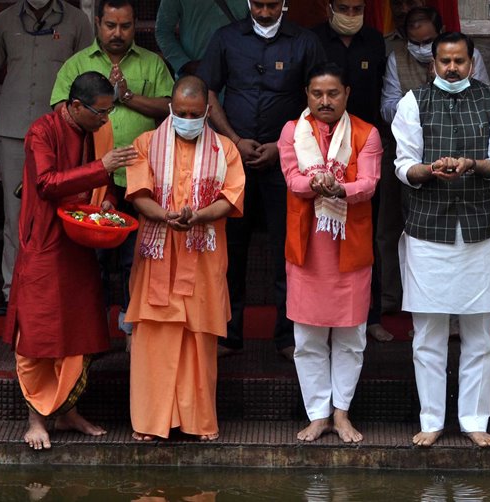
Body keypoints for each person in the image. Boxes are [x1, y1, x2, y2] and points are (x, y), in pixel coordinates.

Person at [392, 32, 490, 448]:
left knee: (479, 334)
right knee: (428, 333)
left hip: (480, 229)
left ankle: (473, 420)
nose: (451, 68)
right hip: (428, 230)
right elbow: (403, 164)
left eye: (459, 61)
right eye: (444, 61)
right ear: (433, 63)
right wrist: (428, 171)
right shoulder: (413, 102)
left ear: (471, 62)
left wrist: (473, 165)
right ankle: (431, 419)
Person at [3, 71, 138, 450]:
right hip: (45, 241)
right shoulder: (41, 132)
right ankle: (36, 420)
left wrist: (108, 199)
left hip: (79, 239)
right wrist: (103, 167)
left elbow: (101, 183)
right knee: (39, 331)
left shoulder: (93, 129)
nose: (106, 120)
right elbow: (46, 183)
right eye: (100, 112)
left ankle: (68, 411)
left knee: (80, 328)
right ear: (76, 106)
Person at [198, 0, 325, 360]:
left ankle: (287, 336)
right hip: (233, 159)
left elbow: (318, 96)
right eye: (258, 4)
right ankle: (228, 334)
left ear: (284, 3)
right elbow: (207, 90)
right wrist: (234, 139)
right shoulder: (226, 38)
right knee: (230, 250)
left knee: (288, 249)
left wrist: (280, 145)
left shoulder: (305, 42)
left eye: (272, 5)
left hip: (287, 162)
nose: (265, 12)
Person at [125, 75, 245, 441]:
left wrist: (199, 215)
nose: (188, 119)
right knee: (154, 336)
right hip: (157, 252)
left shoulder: (225, 149)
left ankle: (198, 421)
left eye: (195, 113)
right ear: (170, 109)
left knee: (199, 338)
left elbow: (232, 198)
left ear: (208, 111)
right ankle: (148, 422)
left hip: (203, 254)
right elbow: (136, 192)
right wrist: (164, 216)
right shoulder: (145, 143)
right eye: (181, 112)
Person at [50, 0, 174, 349]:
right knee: (94, 262)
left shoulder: (151, 63)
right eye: (110, 26)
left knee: (137, 257)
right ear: (97, 23)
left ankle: (135, 337)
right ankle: (94, 335)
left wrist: (127, 97)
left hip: (140, 178)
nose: (118, 34)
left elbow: (171, 107)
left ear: (135, 25)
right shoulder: (77, 64)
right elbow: (62, 109)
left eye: (125, 26)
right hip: (92, 179)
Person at [0, 0, 93, 317]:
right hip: (13, 128)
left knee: (60, 209)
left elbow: (88, 73)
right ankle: (13, 291)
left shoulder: (76, 21)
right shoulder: (5, 20)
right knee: (14, 212)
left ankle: (53, 289)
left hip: (60, 130)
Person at [278, 63, 381, 442]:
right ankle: (318, 414)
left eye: (332, 94)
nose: (325, 101)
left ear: (347, 94)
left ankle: (342, 413)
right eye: (317, 94)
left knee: (351, 338)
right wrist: (316, 183)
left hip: (349, 248)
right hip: (307, 247)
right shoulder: (292, 131)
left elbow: (369, 184)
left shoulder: (367, 134)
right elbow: (292, 179)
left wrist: (340, 189)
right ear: (307, 94)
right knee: (307, 340)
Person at [378, 4, 489, 316]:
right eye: (416, 42)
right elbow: (386, 106)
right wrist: (421, 99)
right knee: (393, 228)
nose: (423, 49)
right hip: (408, 153)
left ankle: (456, 306)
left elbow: (483, 100)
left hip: (462, 155)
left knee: (454, 232)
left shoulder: (468, 56)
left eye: (429, 43)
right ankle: (393, 298)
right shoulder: (396, 58)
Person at [312, 0, 392, 342]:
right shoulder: (312, 40)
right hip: (317, 149)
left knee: (366, 234)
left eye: (357, 8)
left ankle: (369, 314)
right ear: (329, 7)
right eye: (343, 7)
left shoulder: (375, 41)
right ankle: (319, 316)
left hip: (365, 147)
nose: (350, 15)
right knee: (317, 242)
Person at [155, 0, 248, 78]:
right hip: (196, 77)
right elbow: (163, 32)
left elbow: (259, 27)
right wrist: (184, 64)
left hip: (240, 73)